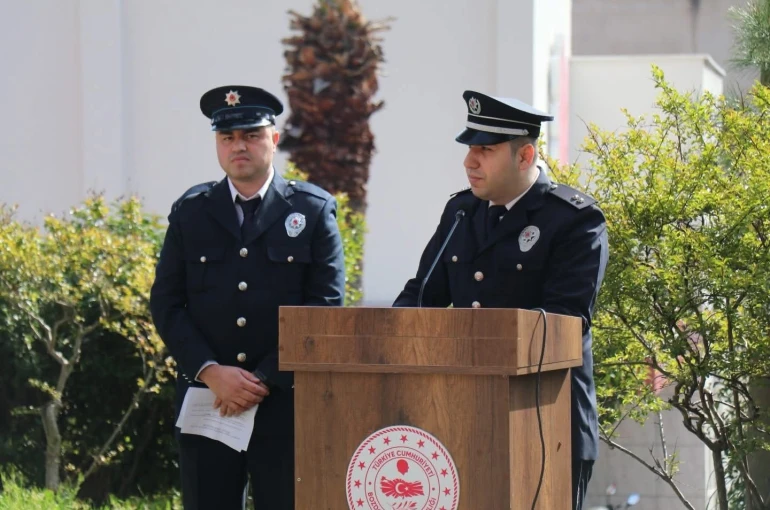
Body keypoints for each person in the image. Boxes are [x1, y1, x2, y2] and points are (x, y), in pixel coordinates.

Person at [393, 90, 608, 510]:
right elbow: (422, 294)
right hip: (461, 418)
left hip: (545, 423)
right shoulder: (461, 212)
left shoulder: (574, 220)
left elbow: (564, 322)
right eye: (470, 149)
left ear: (525, 156)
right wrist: (387, 337)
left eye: (485, 150)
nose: (469, 161)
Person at [150, 85, 345, 510]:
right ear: (217, 145)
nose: (238, 146)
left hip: (285, 402)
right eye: (227, 138)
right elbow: (167, 303)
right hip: (208, 399)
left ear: (274, 139)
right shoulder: (191, 212)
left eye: (251, 135)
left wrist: (262, 379)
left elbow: (325, 307)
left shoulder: (312, 210)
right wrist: (210, 371)